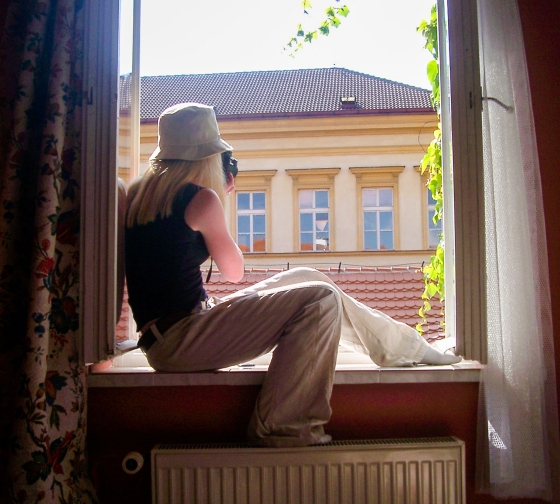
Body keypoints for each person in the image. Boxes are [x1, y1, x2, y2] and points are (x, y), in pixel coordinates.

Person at [124, 102, 462, 448]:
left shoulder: (136, 197)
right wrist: (220, 205)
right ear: (207, 157)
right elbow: (234, 271)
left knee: (306, 276)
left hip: (165, 339)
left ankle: (407, 347)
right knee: (321, 299)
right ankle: (284, 427)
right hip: (184, 339)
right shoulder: (202, 200)